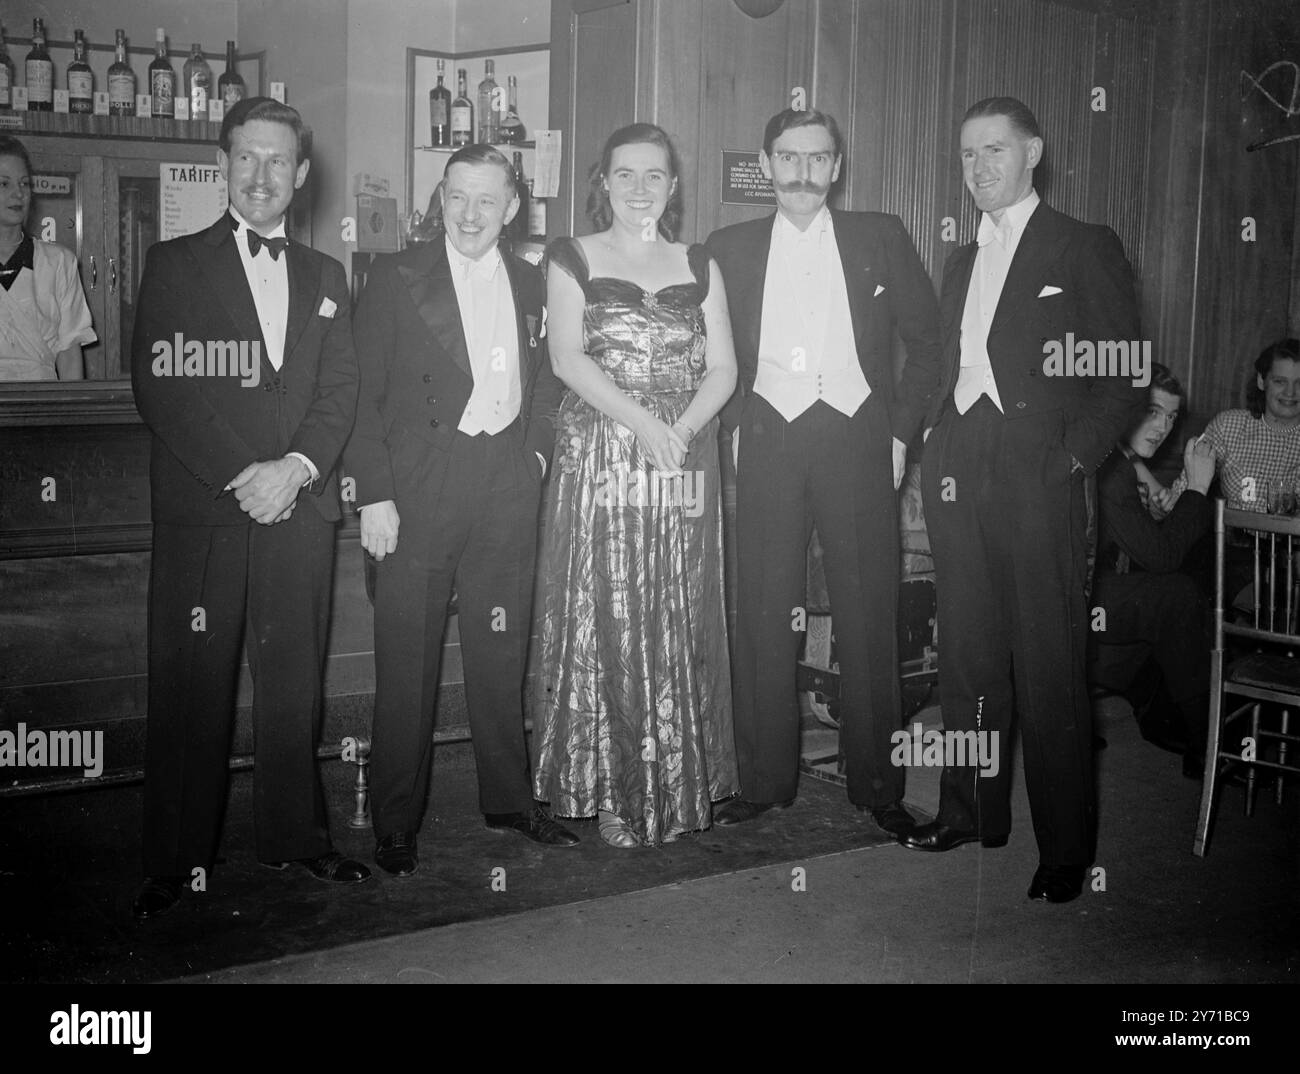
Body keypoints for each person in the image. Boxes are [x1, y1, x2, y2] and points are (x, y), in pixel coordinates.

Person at [902, 97, 1144, 904]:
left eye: (995, 151)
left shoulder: (1082, 246)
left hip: (1041, 472)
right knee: (967, 659)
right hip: (960, 464)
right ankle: (971, 812)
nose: (979, 169)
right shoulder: (960, 261)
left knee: (1048, 668)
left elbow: (1124, 376)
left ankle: (1067, 849)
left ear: (1033, 152)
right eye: (968, 154)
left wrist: (1071, 460)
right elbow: (946, 366)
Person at [130, 98, 366, 921]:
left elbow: (341, 394)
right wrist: (247, 474)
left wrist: (296, 469)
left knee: (294, 685)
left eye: (279, 162)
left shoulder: (328, 277)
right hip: (207, 509)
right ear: (224, 165)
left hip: (298, 510)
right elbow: (165, 388)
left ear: (301, 176)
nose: (262, 176)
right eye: (247, 159)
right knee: (193, 686)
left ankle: (297, 838)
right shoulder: (173, 263)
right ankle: (174, 857)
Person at [705, 107, 941, 836]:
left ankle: (877, 787)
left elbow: (932, 344)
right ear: (767, 164)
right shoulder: (726, 246)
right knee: (762, 611)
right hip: (770, 440)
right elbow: (707, 351)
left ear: (836, 167)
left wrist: (901, 434)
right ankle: (764, 779)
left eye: (816, 158)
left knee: (870, 615)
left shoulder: (881, 235)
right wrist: (738, 423)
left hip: (858, 440)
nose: (802, 171)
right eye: (787, 157)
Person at [346, 144, 578, 876]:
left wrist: (535, 457)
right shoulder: (393, 276)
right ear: (440, 199)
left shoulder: (533, 281)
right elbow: (359, 393)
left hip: (505, 480)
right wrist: (375, 494)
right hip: (417, 489)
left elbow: (547, 384)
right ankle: (395, 819)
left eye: (487, 200)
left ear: (514, 207)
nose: (470, 214)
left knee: (500, 650)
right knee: (406, 660)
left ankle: (508, 800)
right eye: (457, 198)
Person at [531, 122, 738, 848]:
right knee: (612, 609)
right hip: (604, 457)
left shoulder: (700, 260)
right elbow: (566, 358)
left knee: (675, 610)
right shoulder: (572, 257)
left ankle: (674, 788)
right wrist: (642, 426)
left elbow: (724, 368)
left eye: (654, 175)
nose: (640, 187)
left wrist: (678, 431)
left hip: (682, 458)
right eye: (625, 174)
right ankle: (616, 790)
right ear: (603, 182)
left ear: (672, 185)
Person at [1091, 364, 1215, 779]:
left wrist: (1156, 511)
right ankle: (1204, 738)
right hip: (1069, 606)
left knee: (1195, 565)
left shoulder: (1119, 458)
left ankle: (1169, 706)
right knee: (1175, 594)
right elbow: (1160, 559)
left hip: (1091, 596)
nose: (1162, 426)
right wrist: (1196, 489)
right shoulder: (1111, 466)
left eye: (1171, 416)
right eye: (1152, 411)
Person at [1156, 338, 1300, 516]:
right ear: (1262, 382)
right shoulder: (1229, 426)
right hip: (1234, 541)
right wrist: (1169, 501)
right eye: (1280, 381)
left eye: (1299, 383)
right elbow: (1186, 488)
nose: (1290, 392)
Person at [0, 135, 94, 380]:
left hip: (40, 406)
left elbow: (69, 350)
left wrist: (70, 414)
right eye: (4, 184)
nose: (18, 194)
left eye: (24, 184)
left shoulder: (59, 262)